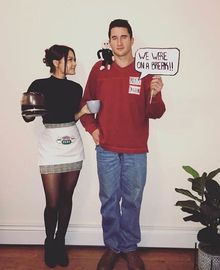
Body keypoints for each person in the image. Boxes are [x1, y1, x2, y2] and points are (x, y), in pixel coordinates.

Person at [80, 19, 166, 270]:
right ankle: (112, 247)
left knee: (132, 200)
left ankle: (128, 247)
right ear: (109, 41)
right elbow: (86, 104)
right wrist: (93, 130)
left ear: (132, 39)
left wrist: (156, 92)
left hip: (136, 150)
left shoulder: (145, 72)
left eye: (123, 37)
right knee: (108, 199)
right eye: (114, 38)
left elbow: (156, 113)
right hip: (106, 149)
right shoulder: (99, 69)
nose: (119, 42)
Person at [22, 45, 84, 268]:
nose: (75, 63)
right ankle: (49, 242)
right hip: (50, 147)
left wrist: (83, 112)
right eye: (71, 60)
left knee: (67, 198)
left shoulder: (77, 88)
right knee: (53, 202)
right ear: (57, 62)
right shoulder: (39, 85)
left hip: (73, 145)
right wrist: (29, 110)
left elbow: (71, 117)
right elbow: (28, 117)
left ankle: (60, 242)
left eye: (75, 60)